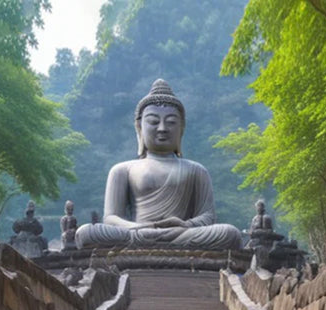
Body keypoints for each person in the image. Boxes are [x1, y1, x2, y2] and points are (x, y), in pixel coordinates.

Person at [75, 79, 242, 250]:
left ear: (181, 128)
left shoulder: (196, 170)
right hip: (139, 232)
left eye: (171, 122)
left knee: (230, 234)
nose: (162, 128)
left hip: (180, 233)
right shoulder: (123, 170)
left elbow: (207, 217)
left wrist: (185, 225)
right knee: (86, 233)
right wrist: (142, 228)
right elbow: (111, 218)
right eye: (153, 122)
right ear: (139, 128)